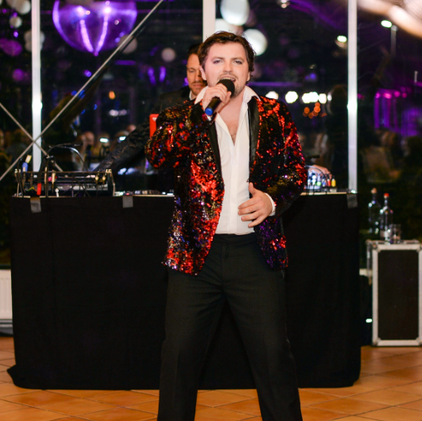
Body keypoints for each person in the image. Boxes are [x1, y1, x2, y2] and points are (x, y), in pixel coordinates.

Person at [146, 31, 307, 421]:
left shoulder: (273, 114)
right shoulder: (180, 115)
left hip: (255, 253)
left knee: (273, 355)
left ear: (249, 71)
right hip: (195, 257)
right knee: (179, 356)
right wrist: (200, 110)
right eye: (217, 61)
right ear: (203, 70)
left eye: (237, 61)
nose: (228, 69)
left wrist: (271, 201)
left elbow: (295, 172)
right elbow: (159, 156)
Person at [99, 43, 205, 173]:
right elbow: (137, 140)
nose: (196, 78)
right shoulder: (168, 102)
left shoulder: (221, 104)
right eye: (191, 71)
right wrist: (101, 171)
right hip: (171, 180)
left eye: (201, 72)